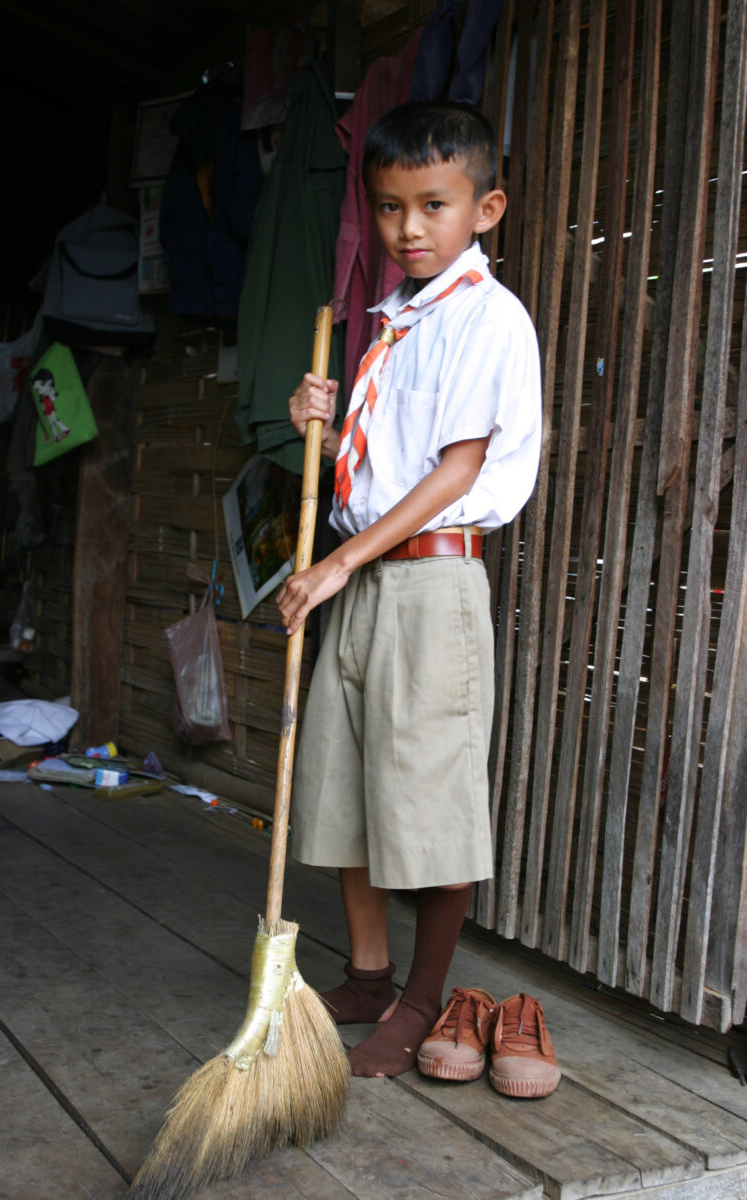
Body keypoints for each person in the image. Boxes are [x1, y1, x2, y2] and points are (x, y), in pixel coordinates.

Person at [276, 101, 541, 1079]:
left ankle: (425, 1000)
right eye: (388, 209)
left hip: (429, 584)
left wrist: (339, 562)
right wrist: (322, 414)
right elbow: (379, 459)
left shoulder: (486, 318)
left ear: (485, 207)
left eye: (433, 204)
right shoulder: (387, 323)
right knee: (345, 784)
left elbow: (455, 470)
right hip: (365, 580)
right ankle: (369, 974)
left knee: (428, 792)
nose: (408, 229)